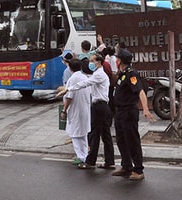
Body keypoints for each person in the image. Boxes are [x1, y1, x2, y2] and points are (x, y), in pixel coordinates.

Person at [60, 54, 114, 169]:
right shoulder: (98, 74)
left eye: (92, 61)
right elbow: (88, 80)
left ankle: (90, 162)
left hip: (99, 107)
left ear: (98, 62)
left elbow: (85, 83)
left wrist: (68, 89)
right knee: (105, 135)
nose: (90, 63)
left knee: (94, 134)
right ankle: (109, 161)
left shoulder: (99, 75)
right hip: (103, 106)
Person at [111, 49, 154, 181]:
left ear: (121, 60)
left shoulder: (132, 74)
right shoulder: (122, 73)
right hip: (120, 112)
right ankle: (126, 166)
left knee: (132, 141)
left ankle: (138, 169)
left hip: (129, 111)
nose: (115, 60)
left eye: (117, 58)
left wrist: (146, 109)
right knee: (121, 140)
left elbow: (140, 91)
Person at [57, 58, 92, 165]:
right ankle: (85, 155)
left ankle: (80, 156)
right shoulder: (84, 77)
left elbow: (69, 97)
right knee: (83, 133)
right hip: (85, 108)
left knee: (75, 134)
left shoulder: (72, 79)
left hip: (76, 109)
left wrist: (64, 110)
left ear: (70, 67)